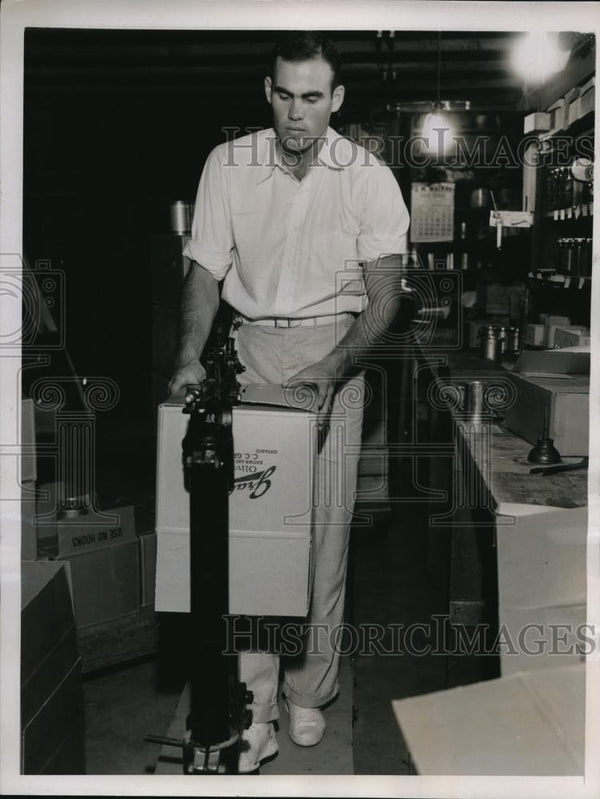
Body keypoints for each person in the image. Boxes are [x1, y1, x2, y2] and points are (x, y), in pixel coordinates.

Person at [169, 31, 413, 773]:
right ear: (267, 93)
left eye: (312, 97)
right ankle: (256, 708)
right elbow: (205, 272)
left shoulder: (367, 177)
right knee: (252, 541)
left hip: (334, 349)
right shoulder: (228, 165)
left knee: (323, 537)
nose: (296, 112)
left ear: (336, 99)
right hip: (249, 354)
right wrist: (187, 356)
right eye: (285, 95)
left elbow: (385, 297)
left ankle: (310, 690)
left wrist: (332, 370)